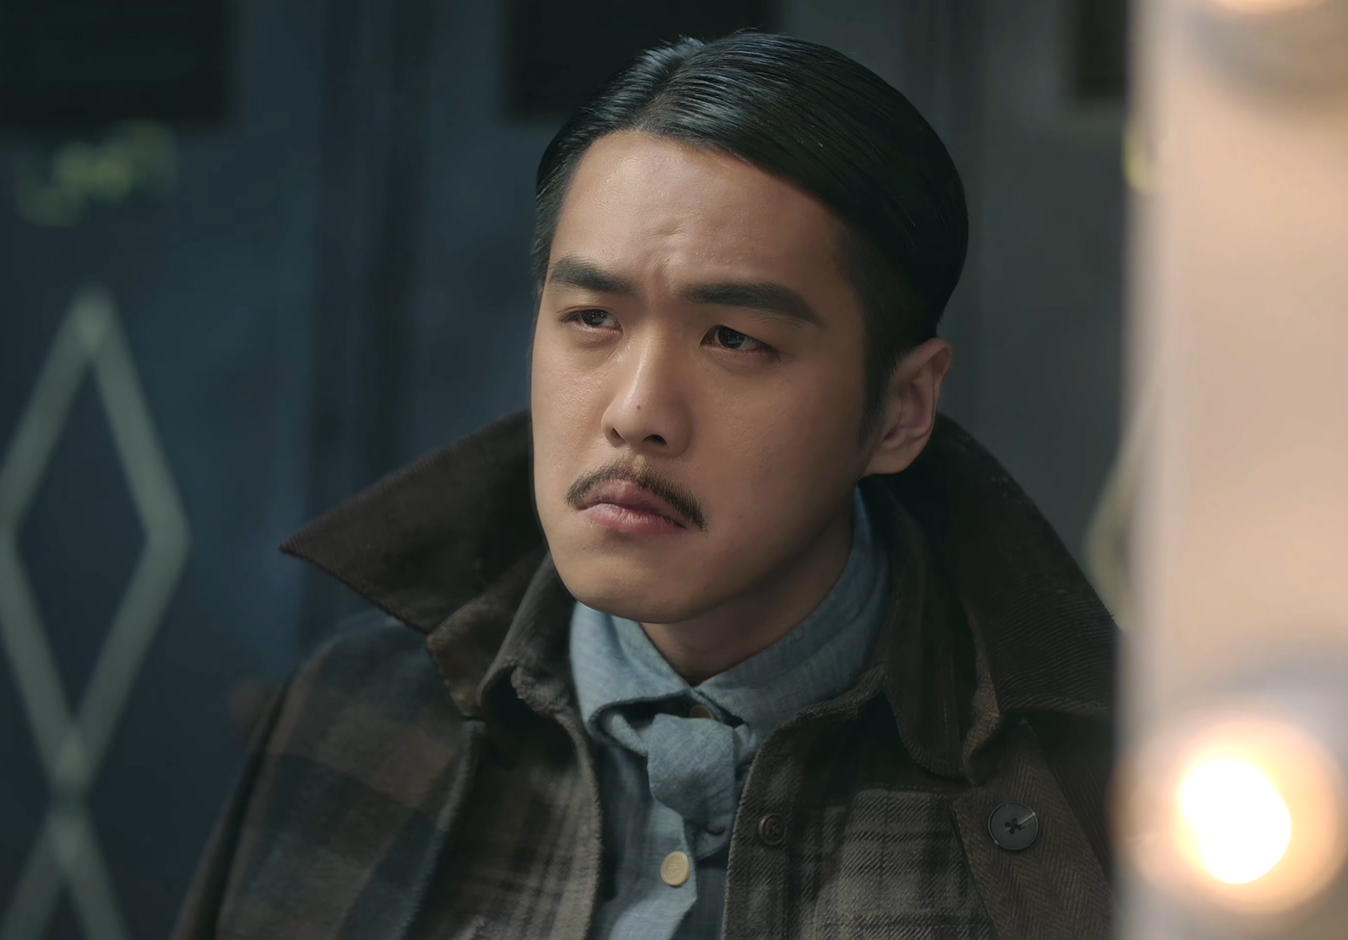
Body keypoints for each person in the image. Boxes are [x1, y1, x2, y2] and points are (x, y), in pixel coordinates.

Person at [174, 31, 1117, 940]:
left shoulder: (1094, 785)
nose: (637, 413)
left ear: (900, 410)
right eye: (592, 317)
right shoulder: (357, 714)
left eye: (735, 339)